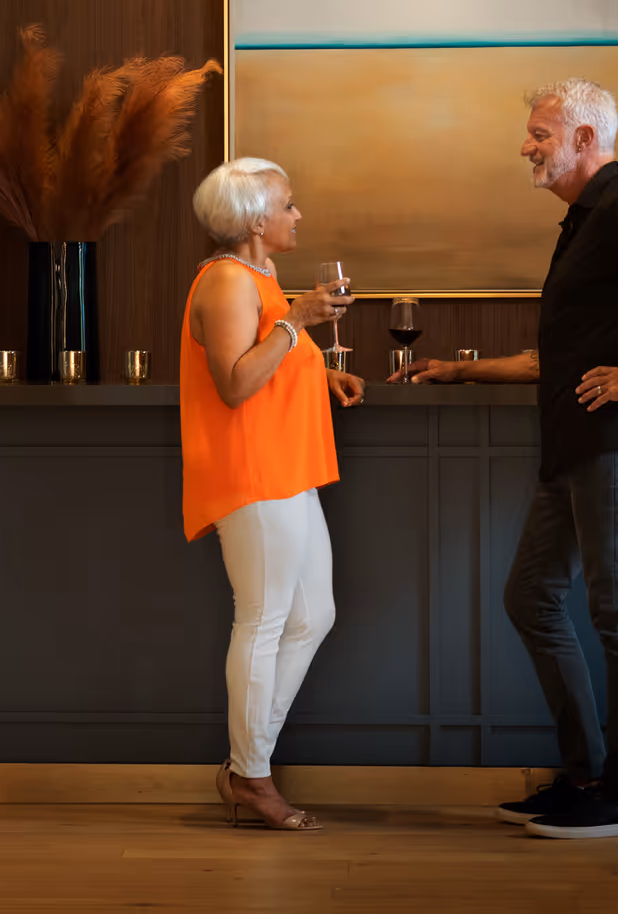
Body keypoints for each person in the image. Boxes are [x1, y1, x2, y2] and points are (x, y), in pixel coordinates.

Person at [392, 79, 618, 840]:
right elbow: (564, 356)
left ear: (585, 139)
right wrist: (461, 369)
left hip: (609, 445)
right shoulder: (586, 221)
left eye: (541, 133)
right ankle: (584, 773)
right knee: (531, 597)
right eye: (531, 133)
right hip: (573, 445)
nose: (526, 145)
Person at [182, 157, 363, 830]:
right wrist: (299, 321)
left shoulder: (263, 276)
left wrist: (321, 380)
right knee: (261, 620)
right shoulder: (228, 280)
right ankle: (253, 776)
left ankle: (244, 763)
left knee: (313, 613)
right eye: (289, 205)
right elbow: (233, 383)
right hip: (252, 474)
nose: (297, 215)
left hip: (287, 469)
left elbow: (269, 370)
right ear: (257, 220)